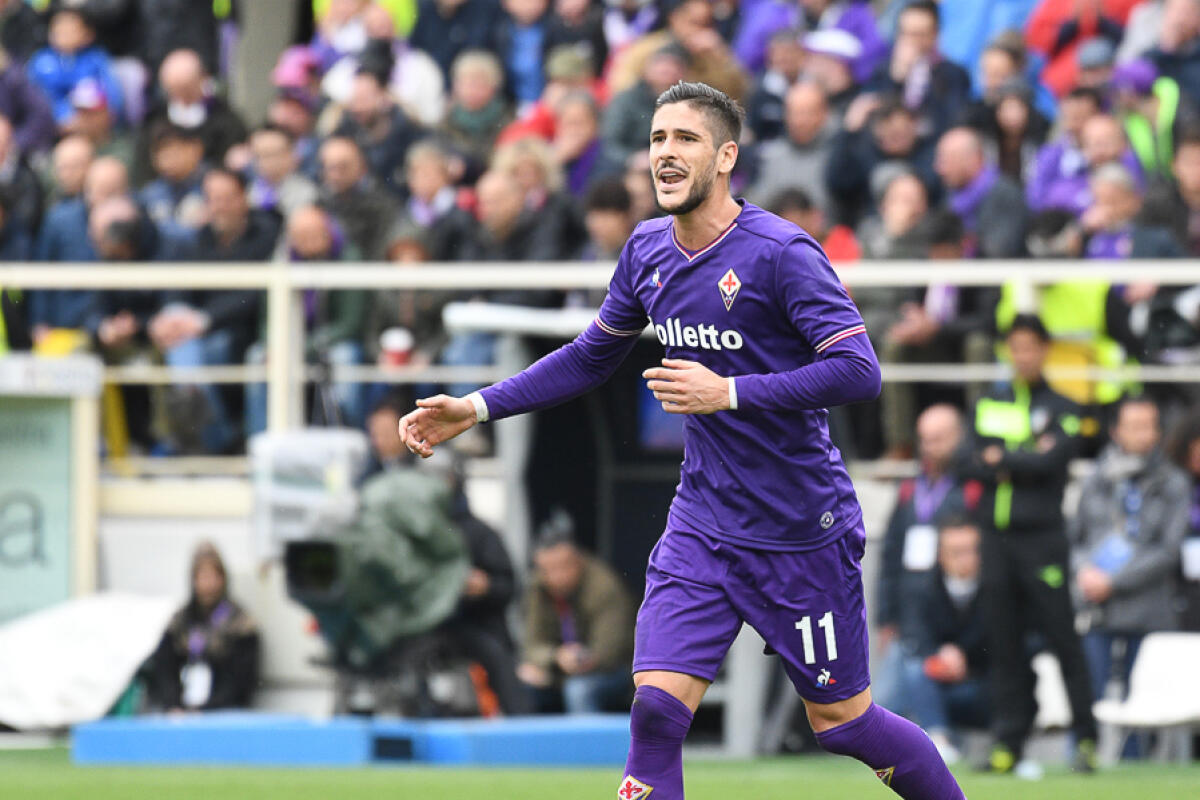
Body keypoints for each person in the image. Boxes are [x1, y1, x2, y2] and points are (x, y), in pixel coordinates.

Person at [399, 81, 965, 800]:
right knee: (657, 712)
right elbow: (590, 355)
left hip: (800, 532)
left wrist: (727, 392)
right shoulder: (645, 251)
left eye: (686, 139)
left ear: (726, 156)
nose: (665, 152)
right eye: (658, 138)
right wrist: (477, 407)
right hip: (703, 523)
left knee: (843, 724)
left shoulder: (781, 253)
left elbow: (859, 371)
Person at [961, 314, 1099, 774]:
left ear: (1043, 349)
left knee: (1063, 638)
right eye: (1014, 347)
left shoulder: (1062, 404)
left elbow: (1052, 460)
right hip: (996, 540)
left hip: (1042, 540)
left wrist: (1004, 456)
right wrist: (1020, 455)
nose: (1022, 355)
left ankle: (1085, 740)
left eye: (1030, 346)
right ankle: (1009, 742)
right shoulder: (989, 401)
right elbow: (970, 460)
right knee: (1004, 644)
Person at [1070, 396, 1189, 723]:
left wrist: (1115, 581)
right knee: (1090, 694)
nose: (1142, 435)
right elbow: (1076, 538)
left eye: (1148, 427)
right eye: (1133, 427)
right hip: (1096, 607)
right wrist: (1085, 573)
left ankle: (1137, 768)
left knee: (1142, 704)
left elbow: (1168, 550)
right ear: (1115, 431)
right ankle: (1086, 757)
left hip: (1149, 608)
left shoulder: (1174, 482)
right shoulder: (1095, 479)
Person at [877, 516, 991, 764]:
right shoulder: (922, 588)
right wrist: (942, 656)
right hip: (933, 683)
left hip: (980, 685)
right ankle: (937, 740)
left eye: (971, 551)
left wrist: (964, 657)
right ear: (940, 555)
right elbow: (915, 634)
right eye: (956, 552)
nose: (965, 559)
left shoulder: (996, 588)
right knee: (910, 665)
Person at [874, 404, 979, 658]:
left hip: (955, 615)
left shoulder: (973, 488)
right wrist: (886, 617)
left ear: (959, 436)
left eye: (938, 439)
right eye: (924, 440)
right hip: (908, 610)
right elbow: (891, 553)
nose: (929, 447)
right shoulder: (910, 488)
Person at [517, 516, 635, 714]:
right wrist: (555, 658)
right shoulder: (537, 589)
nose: (557, 577)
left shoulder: (604, 587)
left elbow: (610, 653)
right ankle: (534, 746)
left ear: (578, 560)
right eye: (548, 570)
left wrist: (572, 663)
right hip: (560, 669)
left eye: (563, 567)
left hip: (613, 672)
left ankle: (588, 745)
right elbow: (531, 644)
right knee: (521, 684)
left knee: (578, 690)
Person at [147, 541, 260, 712]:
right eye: (201, 576)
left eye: (212, 576)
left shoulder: (240, 624)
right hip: (181, 711)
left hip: (224, 712)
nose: (207, 584)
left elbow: (242, 679)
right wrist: (174, 704)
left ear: (222, 578)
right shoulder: (180, 622)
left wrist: (207, 709)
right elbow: (164, 668)